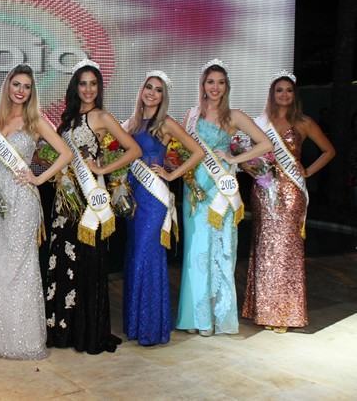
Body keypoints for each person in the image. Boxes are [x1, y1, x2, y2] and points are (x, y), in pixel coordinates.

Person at [0, 63, 73, 359]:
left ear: (32, 92)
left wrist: (39, 178)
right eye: (16, 85)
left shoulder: (36, 122)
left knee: (21, 267)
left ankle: (23, 340)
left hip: (22, 202)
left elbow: (66, 153)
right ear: (8, 87)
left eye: (27, 87)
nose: (21, 91)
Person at [44, 60, 140, 354]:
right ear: (76, 87)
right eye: (83, 83)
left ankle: (87, 331)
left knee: (86, 260)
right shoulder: (68, 118)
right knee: (63, 261)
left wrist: (103, 166)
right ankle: (65, 330)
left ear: (99, 88)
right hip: (65, 200)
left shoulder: (102, 117)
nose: (88, 89)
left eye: (93, 84)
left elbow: (133, 150)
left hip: (88, 199)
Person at [176, 59, 272, 336]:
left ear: (226, 86)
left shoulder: (235, 116)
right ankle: (195, 317)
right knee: (196, 252)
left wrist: (235, 158)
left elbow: (265, 143)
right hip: (196, 189)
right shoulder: (191, 115)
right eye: (210, 82)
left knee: (219, 250)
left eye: (220, 82)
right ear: (203, 86)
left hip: (220, 189)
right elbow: (184, 150)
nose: (215, 87)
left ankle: (215, 318)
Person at [242, 71, 335, 333]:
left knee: (286, 251)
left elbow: (329, 151)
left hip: (291, 192)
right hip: (263, 191)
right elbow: (249, 156)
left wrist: (307, 171)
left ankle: (284, 313)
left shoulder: (304, 122)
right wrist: (252, 170)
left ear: (295, 95)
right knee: (264, 249)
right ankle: (262, 310)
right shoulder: (260, 123)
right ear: (272, 94)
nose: (284, 94)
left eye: (289, 90)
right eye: (279, 90)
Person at [122, 70, 202, 346]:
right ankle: (135, 324)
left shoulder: (165, 123)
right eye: (148, 87)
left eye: (157, 90)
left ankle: (152, 327)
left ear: (163, 96)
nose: (152, 93)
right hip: (133, 200)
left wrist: (171, 174)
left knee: (148, 257)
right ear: (141, 90)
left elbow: (197, 152)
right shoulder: (132, 123)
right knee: (134, 258)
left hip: (154, 201)